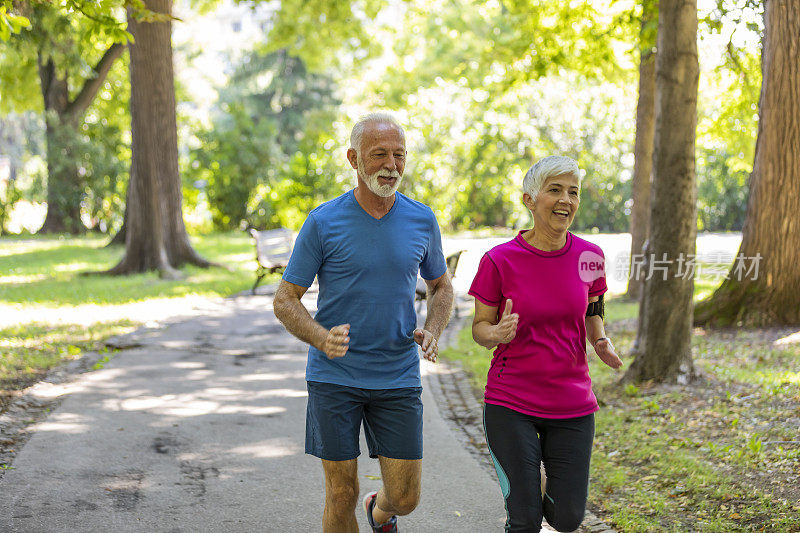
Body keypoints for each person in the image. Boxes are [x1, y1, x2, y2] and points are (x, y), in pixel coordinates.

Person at [272, 112, 454, 533]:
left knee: (406, 498)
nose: (391, 165)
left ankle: (381, 510)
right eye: (379, 155)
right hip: (335, 375)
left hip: (397, 374)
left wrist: (434, 329)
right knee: (340, 494)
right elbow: (285, 300)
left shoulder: (421, 219)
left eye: (399, 155)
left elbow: (441, 287)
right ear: (353, 159)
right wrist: (321, 337)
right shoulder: (323, 222)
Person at [469, 155, 623, 533]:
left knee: (567, 519)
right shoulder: (499, 261)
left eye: (573, 192)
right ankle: (524, 489)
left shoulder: (590, 257)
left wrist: (599, 338)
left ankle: (533, 480)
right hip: (511, 400)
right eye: (554, 190)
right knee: (525, 520)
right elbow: (479, 328)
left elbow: (593, 308)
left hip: (571, 401)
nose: (565, 200)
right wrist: (496, 333)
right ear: (529, 200)